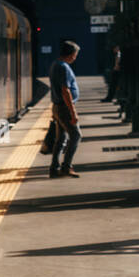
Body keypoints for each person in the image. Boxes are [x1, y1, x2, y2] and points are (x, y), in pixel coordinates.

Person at [49, 39, 82, 178]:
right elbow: (65, 90)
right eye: (75, 54)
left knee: (61, 138)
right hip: (64, 108)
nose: (75, 57)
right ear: (71, 54)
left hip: (57, 107)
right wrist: (73, 112)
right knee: (76, 136)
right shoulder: (63, 67)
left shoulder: (55, 64)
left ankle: (54, 168)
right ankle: (66, 167)